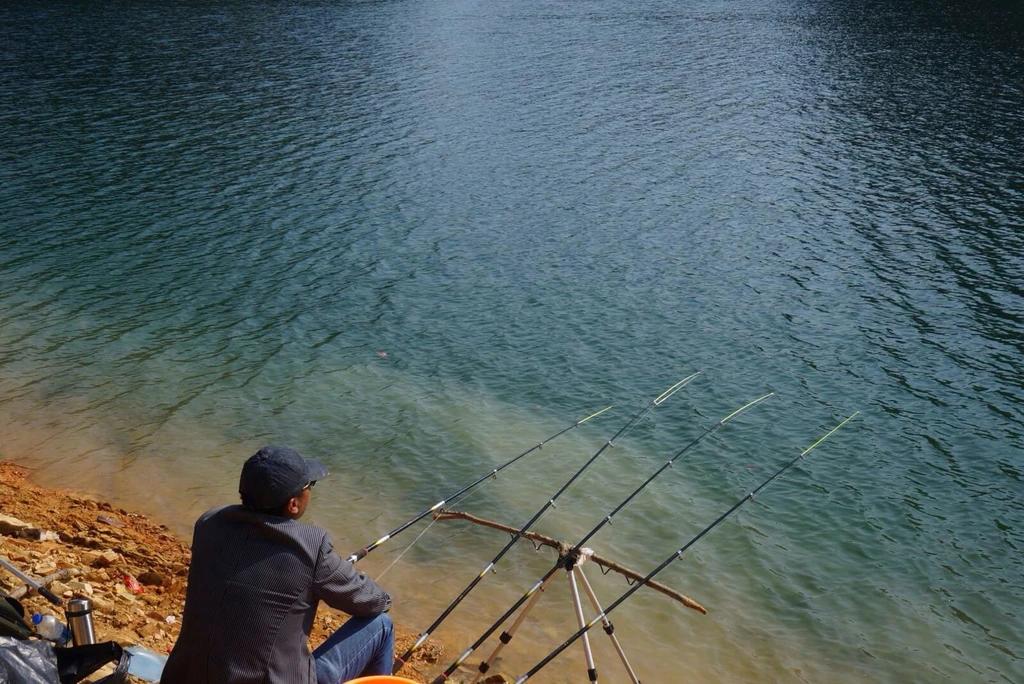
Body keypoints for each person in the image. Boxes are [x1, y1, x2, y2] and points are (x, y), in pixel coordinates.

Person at [161, 446, 394, 684]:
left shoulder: (209, 522)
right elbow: (374, 602)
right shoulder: (312, 547)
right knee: (382, 625)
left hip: (186, 677)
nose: (310, 491)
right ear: (293, 504)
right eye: (309, 486)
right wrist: (337, 572)